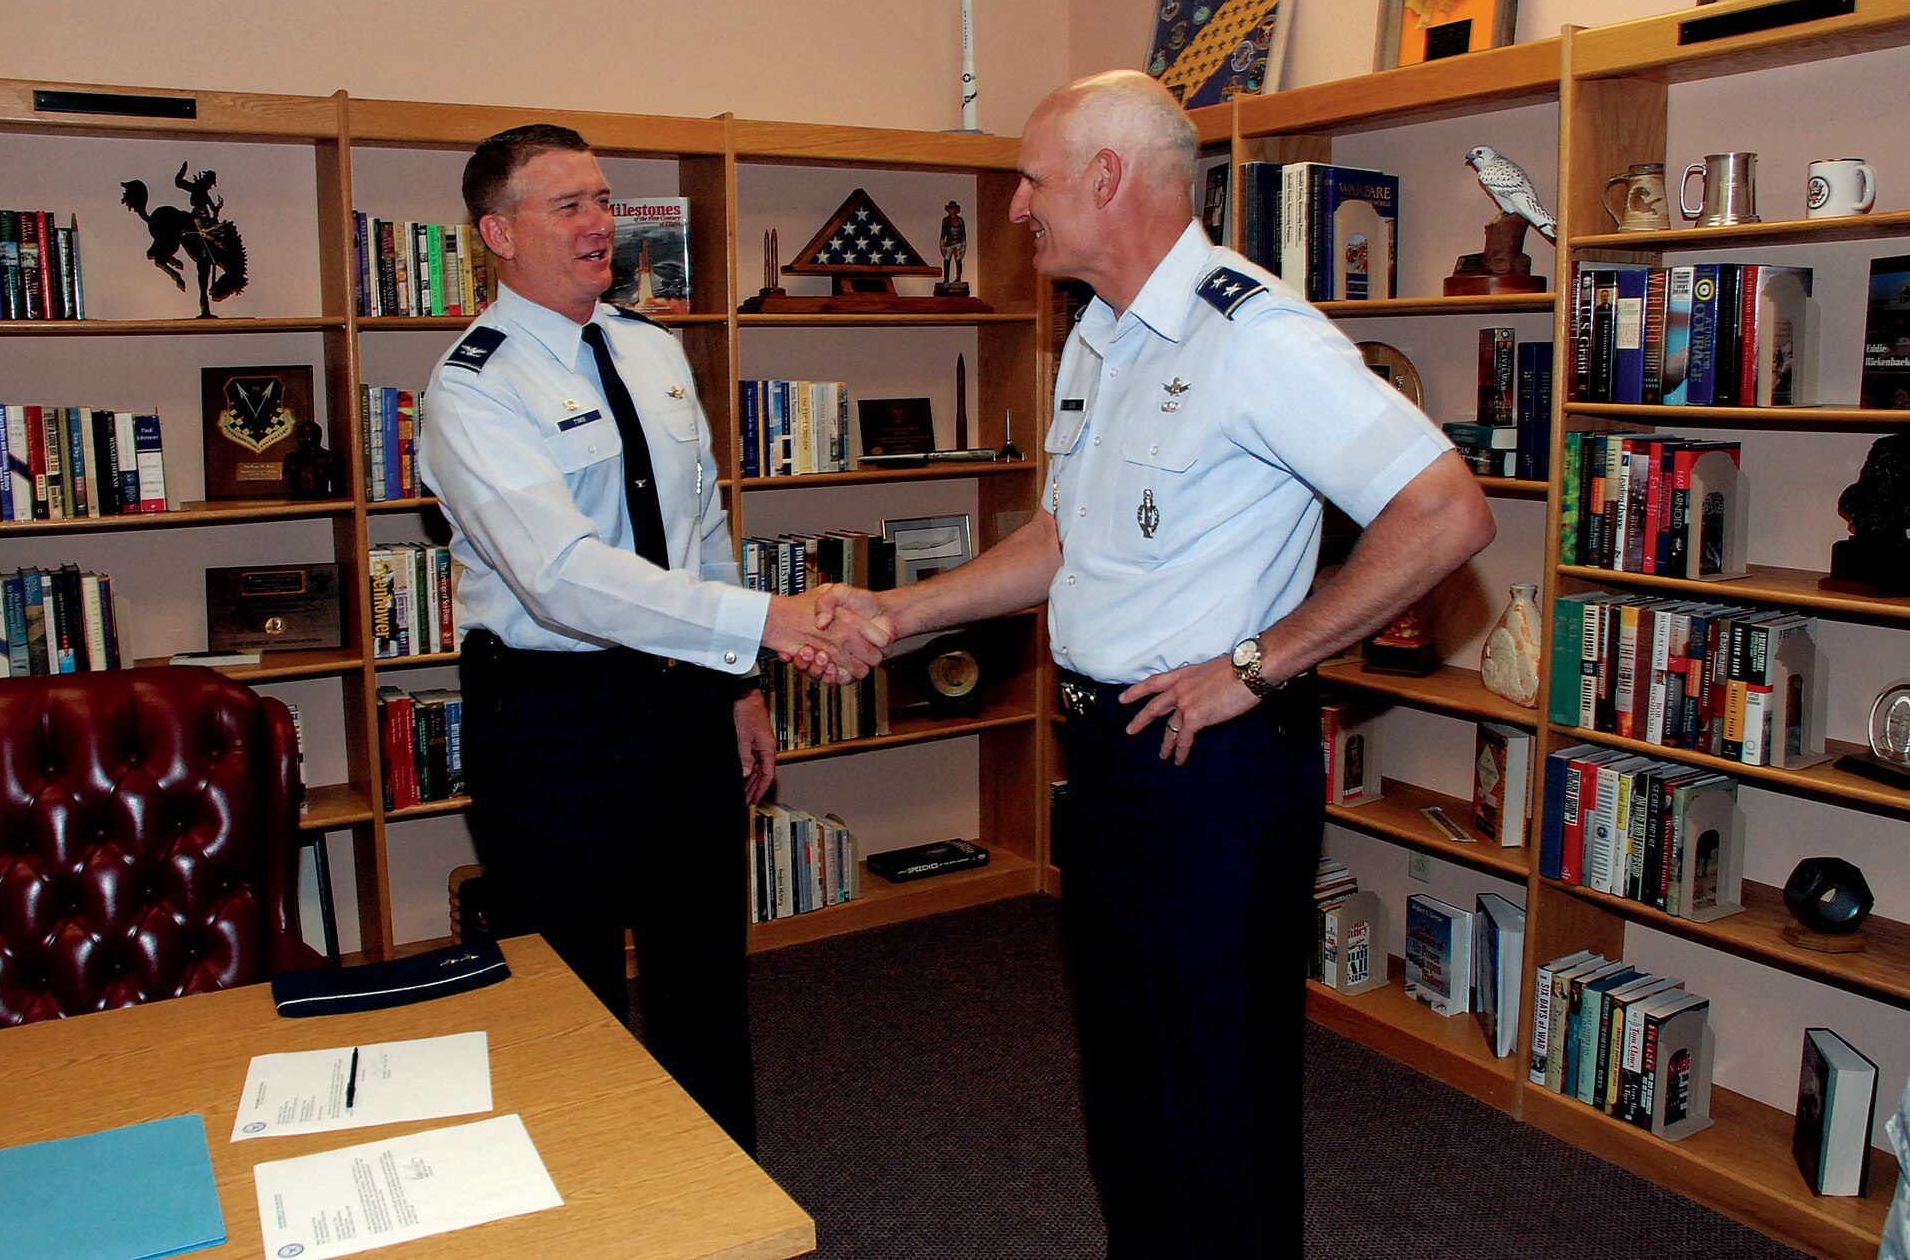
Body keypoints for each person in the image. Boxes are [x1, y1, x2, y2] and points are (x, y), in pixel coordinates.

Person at [813, 71, 1495, 1256]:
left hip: (1210, 766)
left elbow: (1444, 513)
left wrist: (1259, 662)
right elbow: (1065, 535)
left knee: (1216, 1090)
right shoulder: (1096, 333)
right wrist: (899, 607)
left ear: (1106, 177)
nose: (1016, 205)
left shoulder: (1258, 334)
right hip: (1110, 752)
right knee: (1128, 1074)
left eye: (1032, 178)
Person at [419, 124, 885, 1157]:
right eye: (567, 206)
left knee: (702, 977)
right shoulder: (473, 387)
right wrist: (768, 622)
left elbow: (699, 530)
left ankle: (726, 1198)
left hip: (683, 704)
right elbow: (562, 578)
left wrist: (740, 686)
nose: (600, 224)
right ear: (496, 232)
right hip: (556, 725)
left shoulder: (652, 346)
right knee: (569, 997)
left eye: (603, 199)